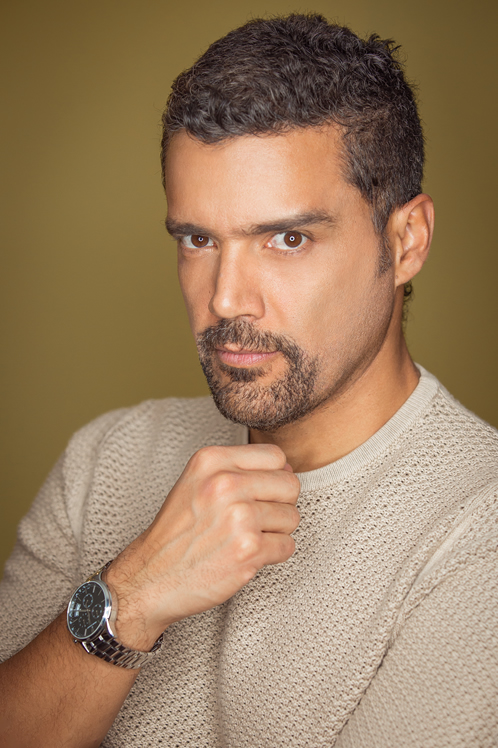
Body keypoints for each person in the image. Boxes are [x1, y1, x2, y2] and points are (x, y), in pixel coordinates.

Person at [0, 13, 497, 748]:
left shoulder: (477, 530)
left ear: (406, 241)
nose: (227, 299)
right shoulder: (104, 459)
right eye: (199, 239)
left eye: (287, 238)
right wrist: (130, 597)